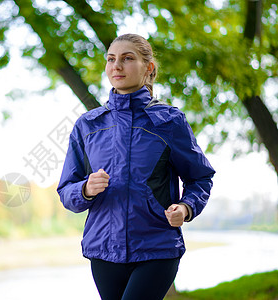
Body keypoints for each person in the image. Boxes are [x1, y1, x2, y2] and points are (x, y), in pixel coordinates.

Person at [57, 33, 216, 300]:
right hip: (103, 251)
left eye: (127, 58)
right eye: (111, 59)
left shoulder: (170, 122)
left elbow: (200, 178)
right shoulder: (88, 125)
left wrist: (186, 207)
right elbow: (66, 191)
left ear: (149, 68)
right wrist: (85, 189)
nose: (116, 66)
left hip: (157, 247)